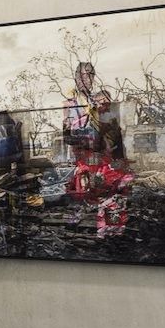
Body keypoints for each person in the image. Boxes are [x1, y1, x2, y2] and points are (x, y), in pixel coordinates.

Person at [61, 62, 133, 236]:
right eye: (85, 75)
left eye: (91, 74)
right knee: (96, 192)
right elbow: (68, 136)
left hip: (104, 158)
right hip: (88, 159)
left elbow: (111, 133)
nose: (89, 78)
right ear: (77, 77)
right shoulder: (70, 104)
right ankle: (99, 231)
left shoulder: (97, 102)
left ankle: (113, 231)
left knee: (113, 193)